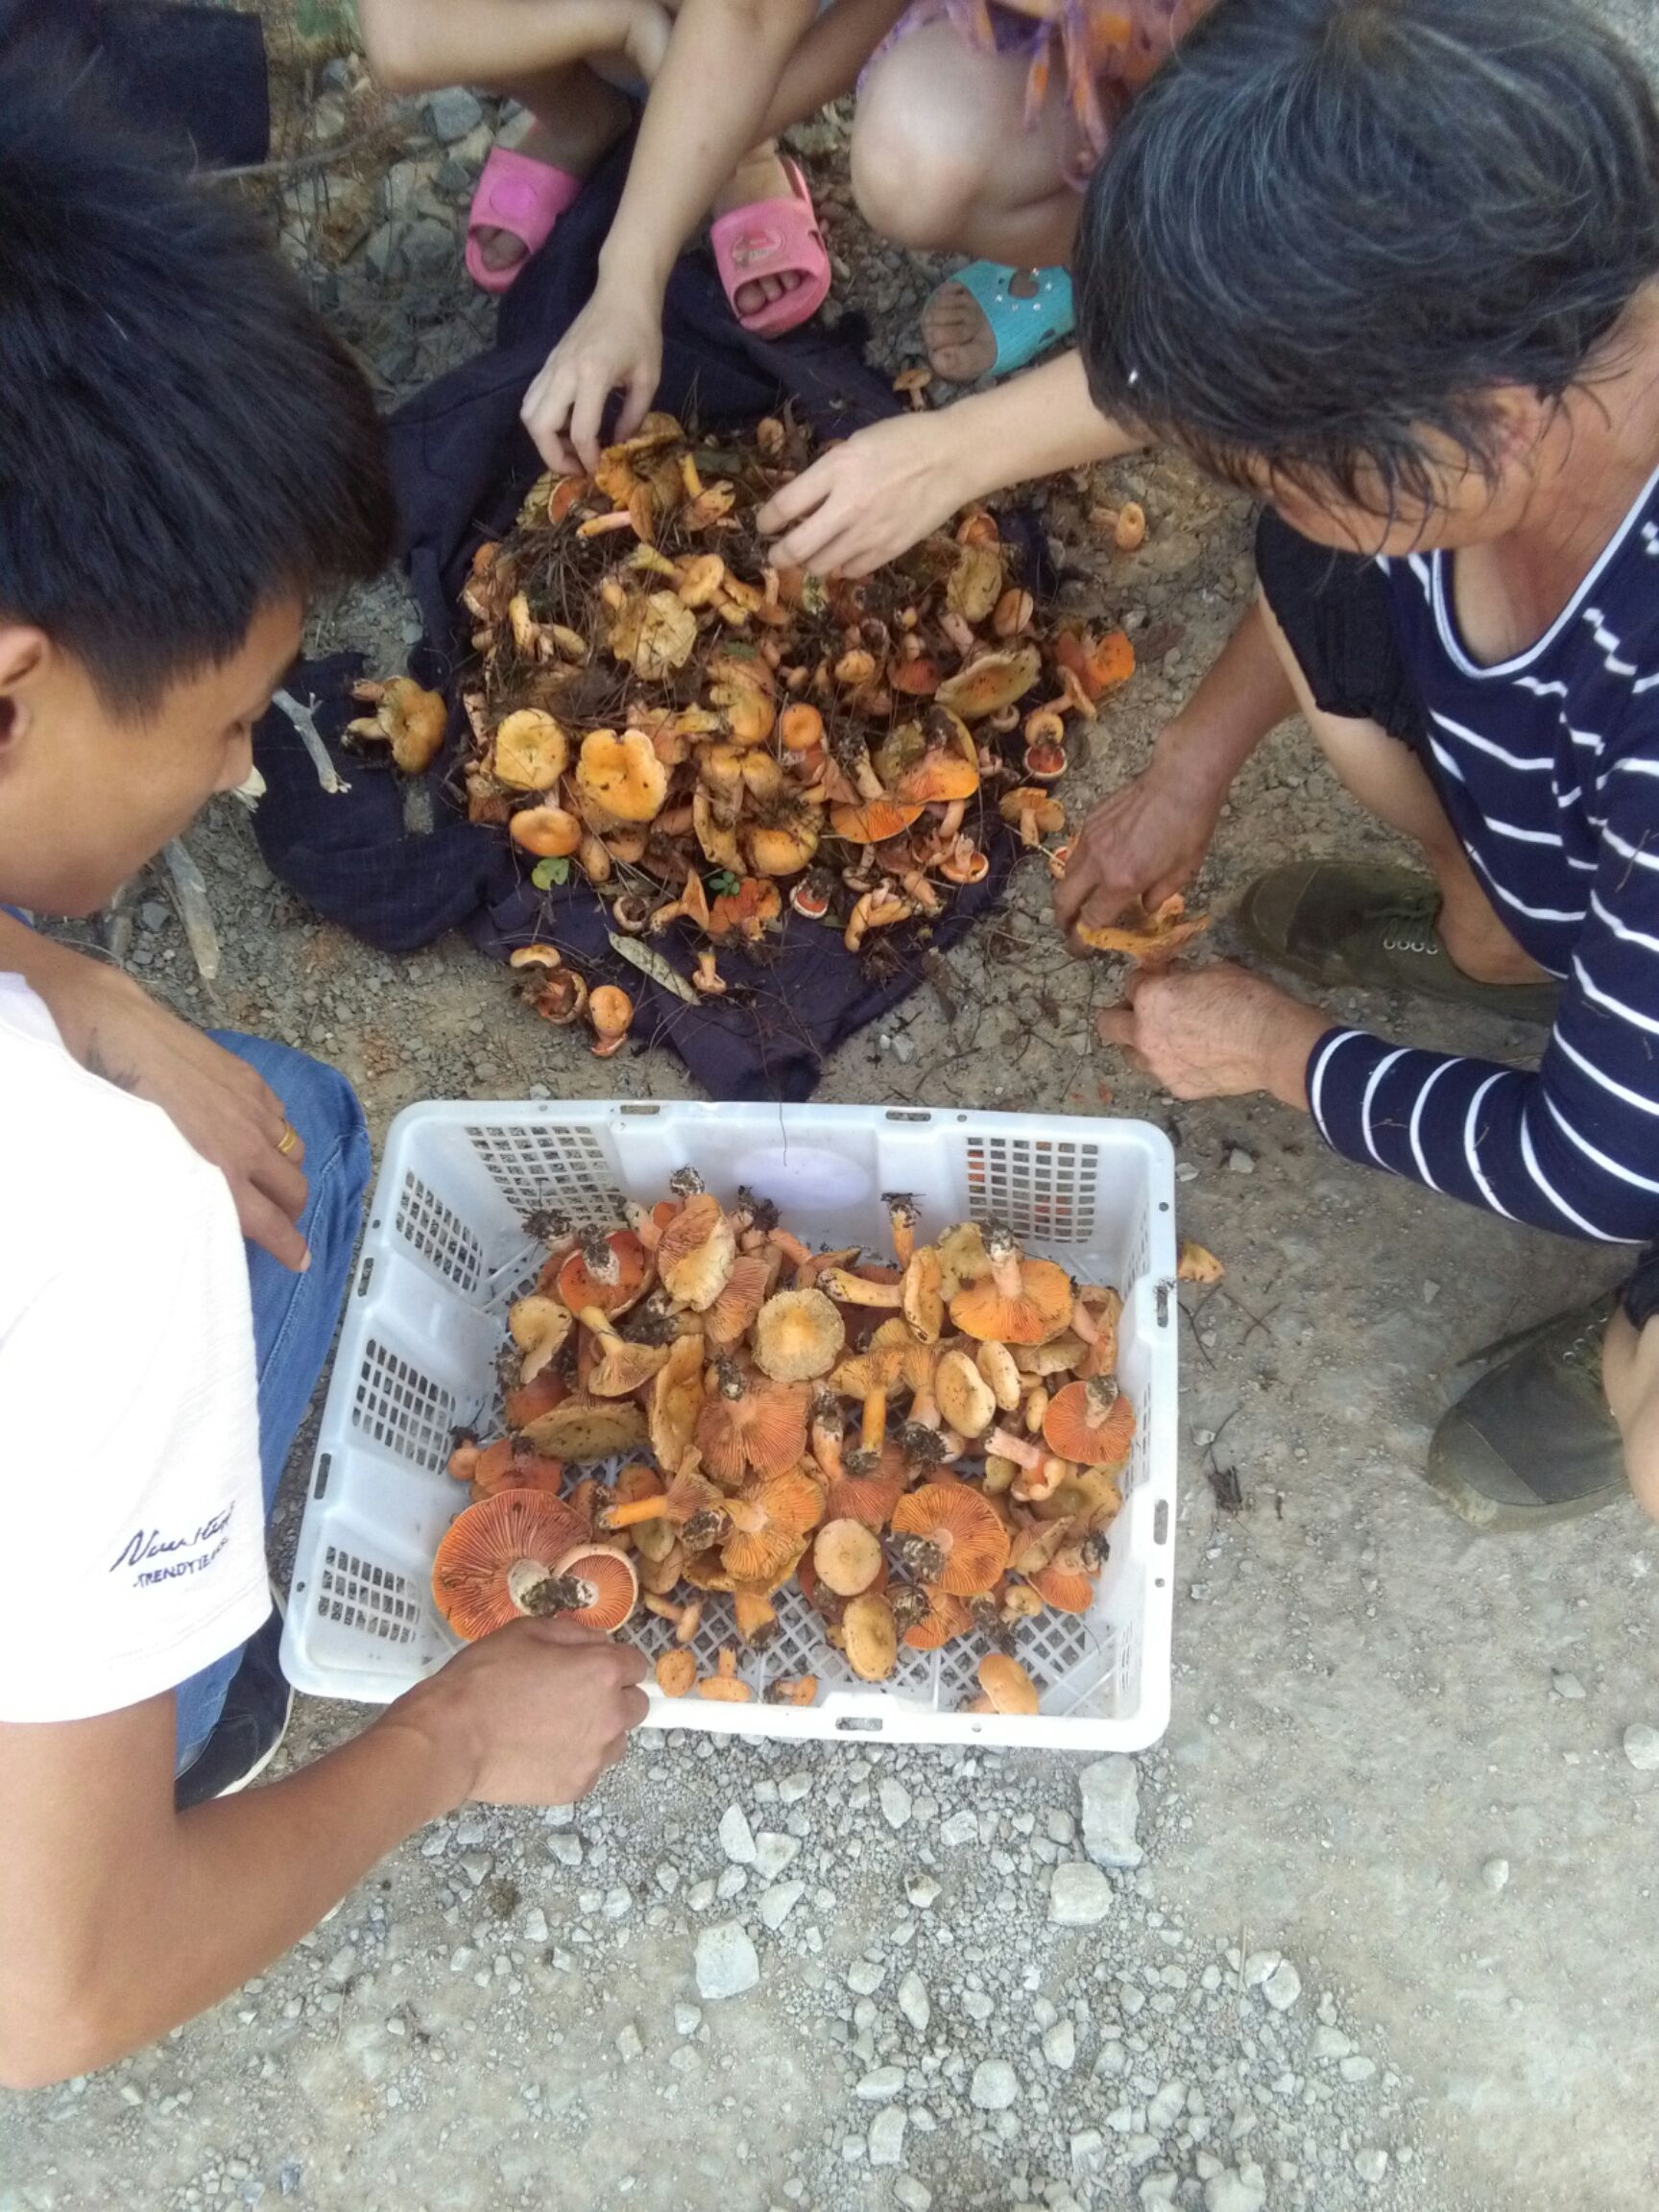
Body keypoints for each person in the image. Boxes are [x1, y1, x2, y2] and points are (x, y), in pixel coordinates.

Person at [0, 74, 646, 2091]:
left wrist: (83, 997)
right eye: (216, 723)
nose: (230, 778)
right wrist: (454, 1741)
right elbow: (52, 2004)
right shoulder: (85, 1228)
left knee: (247, 1089)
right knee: (292, 1147)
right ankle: (189, 1720)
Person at [1053, 0, 1659, 1530]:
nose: (1274, 508)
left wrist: (1278, 1052)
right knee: (1353, 628)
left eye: (1277, 474)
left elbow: (1590, 1164)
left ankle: (1630, 1356)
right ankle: (1515, 952)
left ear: (1487, 432)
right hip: (1594, 821)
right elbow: (1330, 569)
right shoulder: (1519, 336)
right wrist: (1191, 767)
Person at [526, 0, 1206, 554]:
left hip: (1245, 119)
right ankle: (1085, 247)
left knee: (1233, 318)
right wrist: (629, 275)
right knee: (915, 158)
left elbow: (1247, 342)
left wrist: (959, 451)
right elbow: (751, 16)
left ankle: (1139, 254)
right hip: (1109, 69)